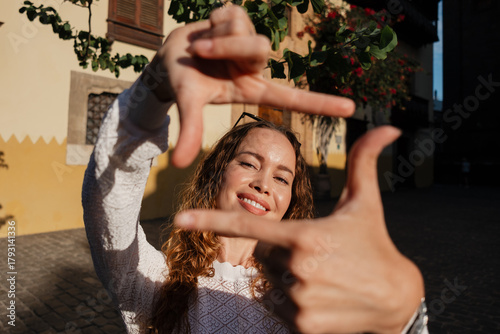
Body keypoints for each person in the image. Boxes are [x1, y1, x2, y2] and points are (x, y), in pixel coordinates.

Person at [82, 5, 426, 334]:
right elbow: (108, 201)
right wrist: (154, 90)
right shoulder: (153, 280)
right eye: (248, 163)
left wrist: (399, 317)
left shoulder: (307, 298)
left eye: (281, 177)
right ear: (217, 173)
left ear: (292, 200)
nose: (263, 184)